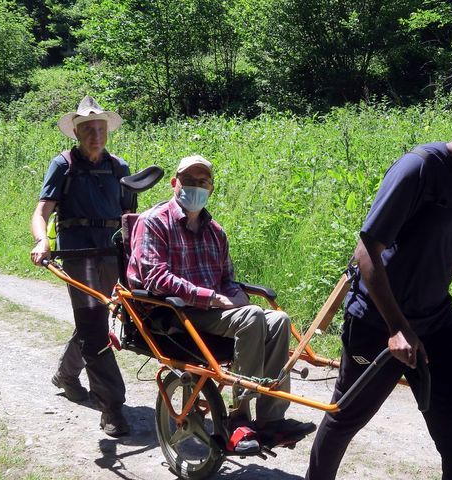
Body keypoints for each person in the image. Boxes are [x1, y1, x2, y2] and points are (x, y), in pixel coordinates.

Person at [305, 93, 452, 479]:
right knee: (346, 416)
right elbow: (367, 251)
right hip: (378, 321)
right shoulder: (420, 169)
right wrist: (396, 327)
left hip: (435, 320)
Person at [126, 154, 315, 447]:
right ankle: (239, 416)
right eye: (188, 181)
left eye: (202, 182)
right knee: (252, 316)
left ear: (211, 188)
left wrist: (233, 293)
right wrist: (212, 298)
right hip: (175, 312)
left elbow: (226, 277)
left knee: (279, 320)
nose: (195, 187)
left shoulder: (216, 231)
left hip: (210, 311)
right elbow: (155, 278)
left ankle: (271, 418)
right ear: (175, 183)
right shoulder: (154, 222)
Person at [30, 96, 134, 437]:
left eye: (100, 128)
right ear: (76, 132)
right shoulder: (63, 164)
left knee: (93, 320)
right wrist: (43, 239)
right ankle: (112, 407)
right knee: (93, 324)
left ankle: (66, 374)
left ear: (107, 131)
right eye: (88, 128)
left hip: (112, 253)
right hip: (76, 254)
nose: (95, 134)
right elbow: (42, 211)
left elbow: (132, 218)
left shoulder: (120, 167)